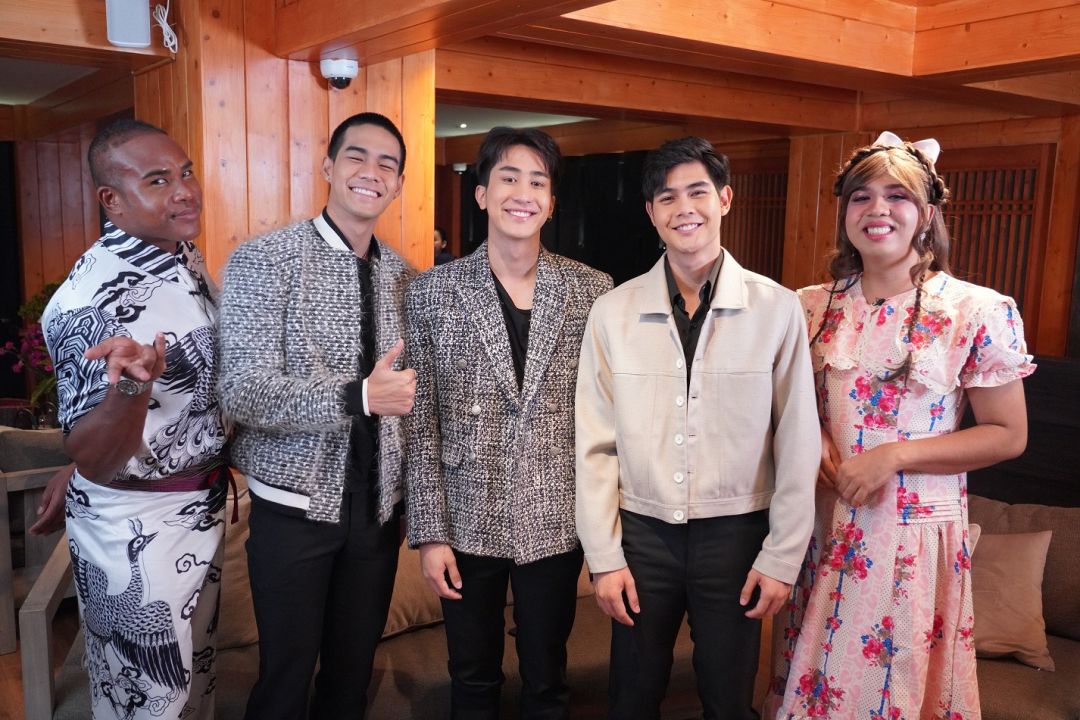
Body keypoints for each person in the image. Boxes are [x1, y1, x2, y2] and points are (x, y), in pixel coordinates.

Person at [766, 132, 1033, 720]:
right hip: (822, 524)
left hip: (910, 533)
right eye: (861, 197)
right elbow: (785, 405)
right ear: (844, 214)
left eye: (898, 196)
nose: (877, 209)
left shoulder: (976, 310)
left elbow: (1007, 434)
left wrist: (894, 455)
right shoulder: (808, 306)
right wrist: (817, 437)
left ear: (928, 214)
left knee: (891, 691)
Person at [575, 136, 820, 720]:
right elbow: (594, 444)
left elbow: (797, 440)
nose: (684, 208)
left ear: (724, 199)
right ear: (651, 212)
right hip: (642, 535)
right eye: (667, 197)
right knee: (631, 697)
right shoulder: (613, 311)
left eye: (697, 192)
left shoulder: (776, 308)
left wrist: (782, 555)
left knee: (729, 700)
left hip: (736, 536)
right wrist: (604, 556)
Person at [406, 126, 612, 718]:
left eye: (538, 182)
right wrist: (430, 534)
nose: (523, 193)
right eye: (509, 178)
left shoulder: (592, 290)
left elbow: (605, 415)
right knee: (472, 679)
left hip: (556, 516)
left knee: (548, 678)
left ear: (551, 201)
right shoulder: (432, 291)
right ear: (481, 194)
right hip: (465, 518)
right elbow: (420, 424)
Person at [217, 112, 416, 720]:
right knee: (285, 679)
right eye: (357, 156)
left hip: (377, 512)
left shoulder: (405, 276)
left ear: (398, 184)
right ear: (328, 167)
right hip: (293, 511)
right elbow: (242, 391)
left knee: (350, 680)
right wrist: (357, 396)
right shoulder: (265, 259)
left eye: (387, 164)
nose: (371, 172)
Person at [41, 118, 231, 719]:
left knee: (192, 691)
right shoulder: (87, 304)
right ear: (112, 199)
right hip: (136, 524)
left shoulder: (181, 256)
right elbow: (96, 458)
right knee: (146, 705)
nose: (185, 191)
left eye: (185, 173)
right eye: (158, 180)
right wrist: (131, 390)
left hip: (201, 508)